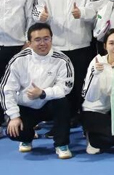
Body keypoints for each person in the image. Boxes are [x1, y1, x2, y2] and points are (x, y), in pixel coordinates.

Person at [34, 0, 97, 124]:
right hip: (57, 46)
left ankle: (81, 118)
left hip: (81, 45)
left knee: (80, 84)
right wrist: (41, 16)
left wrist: (82, 12)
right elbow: (36, 9)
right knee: (59, 86)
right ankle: (61, 120)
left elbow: (95, 11)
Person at [2, 23, 75, 159]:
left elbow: (65, 87)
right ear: (29, 43)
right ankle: (27, 138)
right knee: (13, 132)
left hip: (49, 104)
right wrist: (14, 116)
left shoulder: (62, 60)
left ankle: (61, 144)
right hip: (26, 106)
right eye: (37, 40)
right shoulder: (18, 60)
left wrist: (43, 93)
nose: (42, 43)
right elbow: (7, 89)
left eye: (46, 39)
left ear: (51, 39)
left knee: (62, 102)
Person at [82, 29, 114, 155]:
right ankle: (92, 138)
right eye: (111, 43)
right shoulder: (97, 62)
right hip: (94, 110)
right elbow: (90, 97)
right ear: (105, 46)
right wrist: (96, 75)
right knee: (112, 139)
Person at [0, 0, 34, 121]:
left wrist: (28, 41)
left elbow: (30, 16)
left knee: (16, 84)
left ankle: (17, 120)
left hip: (17, 45)